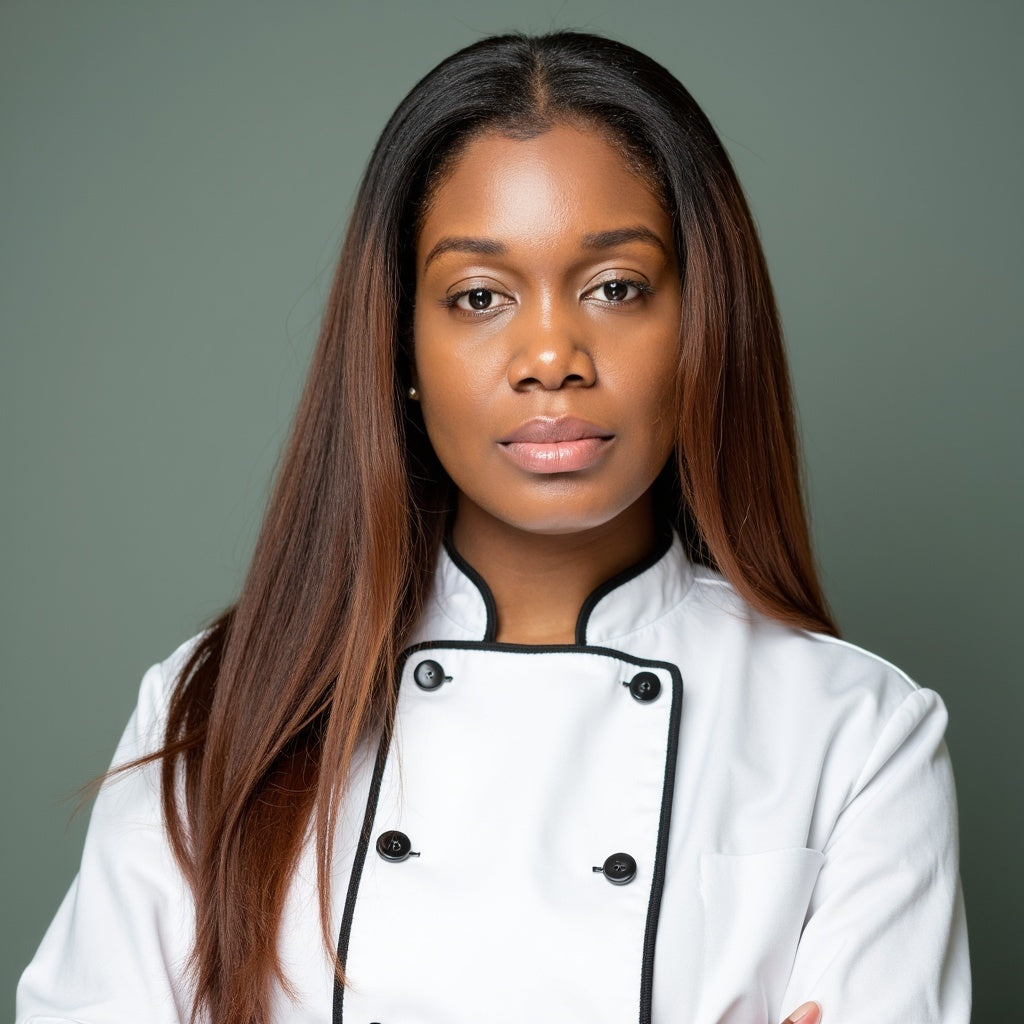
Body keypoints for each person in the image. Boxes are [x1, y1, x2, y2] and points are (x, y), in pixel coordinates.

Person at [16, 30, 970, 1024]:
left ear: (701, 327)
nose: (551, 354)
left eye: (615, 287)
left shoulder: (857, 736)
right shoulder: (218, 708)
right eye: (478, 296)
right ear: (403, 347)